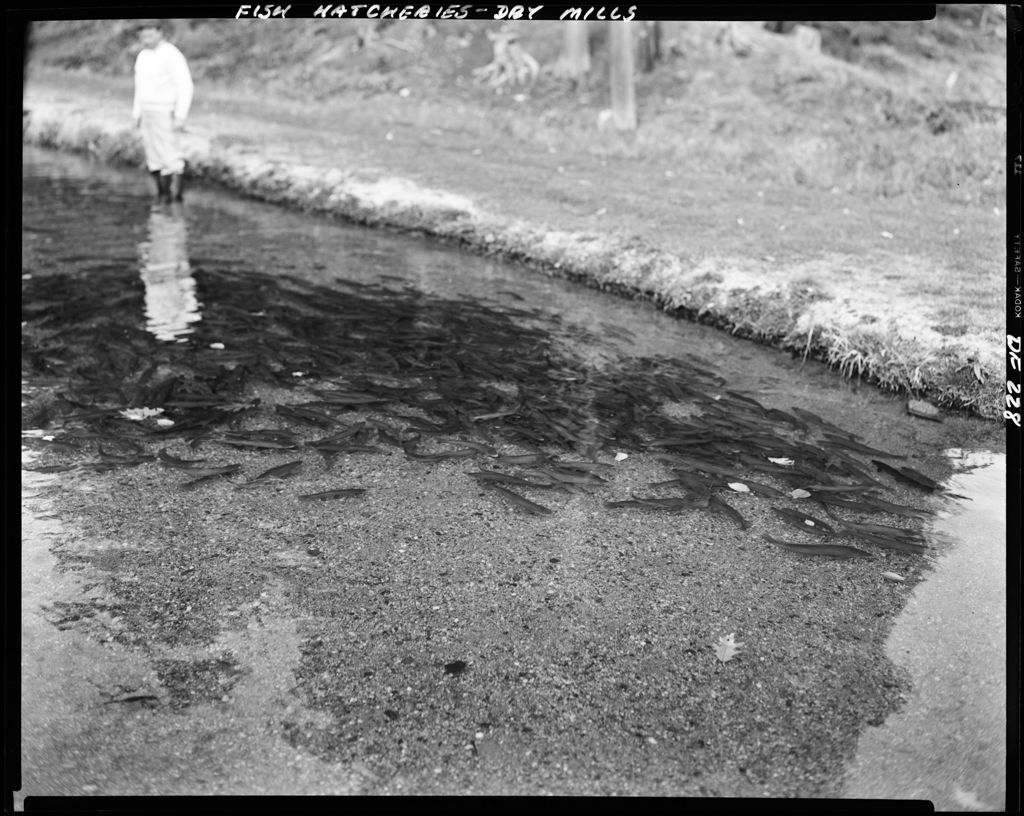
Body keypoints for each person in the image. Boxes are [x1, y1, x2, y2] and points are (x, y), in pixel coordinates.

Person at [132, 20, 193, 203]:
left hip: (165, 111)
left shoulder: (171, 54)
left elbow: (185, 86)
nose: (146, 36)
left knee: (170, 157)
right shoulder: (142, 56)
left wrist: (180, 115)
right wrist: (136, 113)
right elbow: (139, 87)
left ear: (160, 32)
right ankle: (162, 199)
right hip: (147, 111)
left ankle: (175, 203)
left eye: (150, 32)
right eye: (142, 33)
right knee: (154, 157)